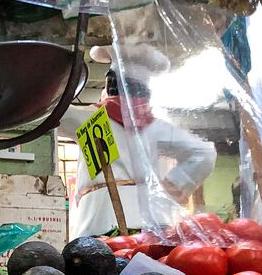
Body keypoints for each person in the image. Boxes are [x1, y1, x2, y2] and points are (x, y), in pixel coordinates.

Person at [59, 44, 217, 239]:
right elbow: (204, 153)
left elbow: (46, 114)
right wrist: (175, 184)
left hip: (99, 215)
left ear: (109, 86)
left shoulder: (88, 118)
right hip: (151, 218)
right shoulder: (157, 128)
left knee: (98, 263)